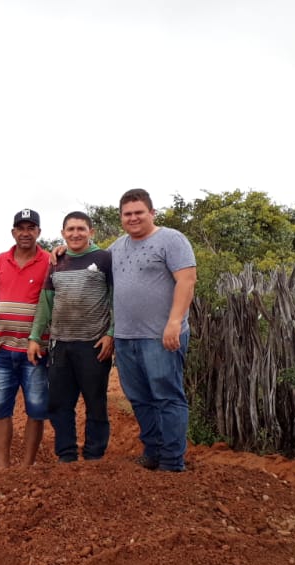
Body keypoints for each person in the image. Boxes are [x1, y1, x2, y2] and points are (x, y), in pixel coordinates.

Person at [108, 188, 197, 472]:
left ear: (152, 213)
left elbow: (186, 281)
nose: (133, 218)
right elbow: (88, 259)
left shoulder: (171, 239)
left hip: (161, 337)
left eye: (139, 212)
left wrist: (174, 322)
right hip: (125, 337)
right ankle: (153, 452)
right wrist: (60, 252)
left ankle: (172, 460)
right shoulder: (116, 247)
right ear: (121, 217)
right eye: (127, 214)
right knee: (139, 398)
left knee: (167, 396)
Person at [27, 211, 114, 462]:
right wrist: (35, 337)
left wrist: (111, 333)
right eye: (71, 229)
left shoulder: (104, 258)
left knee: (95, 402)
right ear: (63, 233)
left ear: (91, 232)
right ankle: (66, 456)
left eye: (81, 229)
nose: (76, 234)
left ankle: (94, 455)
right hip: (60, 345)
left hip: (93, 345)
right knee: (60, 404)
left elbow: (115, 299)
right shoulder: (56, 262)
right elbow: (46, 302)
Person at [0, 208, 53, 468]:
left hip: (35, 351)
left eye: (30, 228)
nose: (25, 233)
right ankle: (2, 465)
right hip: (3, 348)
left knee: (35, 408)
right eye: (20, 228)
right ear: (13, 232)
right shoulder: (0, 261)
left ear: (38, 232)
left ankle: (27, 465)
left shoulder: (49, 261)